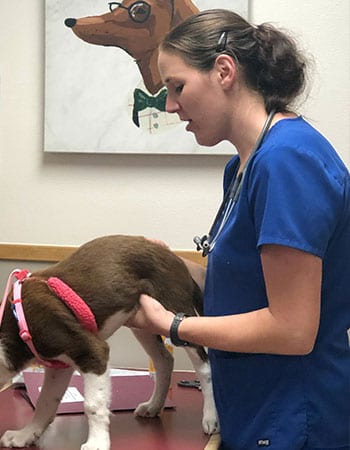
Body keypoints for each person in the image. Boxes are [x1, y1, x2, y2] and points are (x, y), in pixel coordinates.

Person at [127, 8, 350, 450]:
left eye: (177, 87)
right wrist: (168, 267)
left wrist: (173, 326)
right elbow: (248, 284)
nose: (170, 105)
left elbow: (291, 329)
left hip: (295, 419)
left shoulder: (286, 161)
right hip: (255, 409)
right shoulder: (243, 166)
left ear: (224, 71)